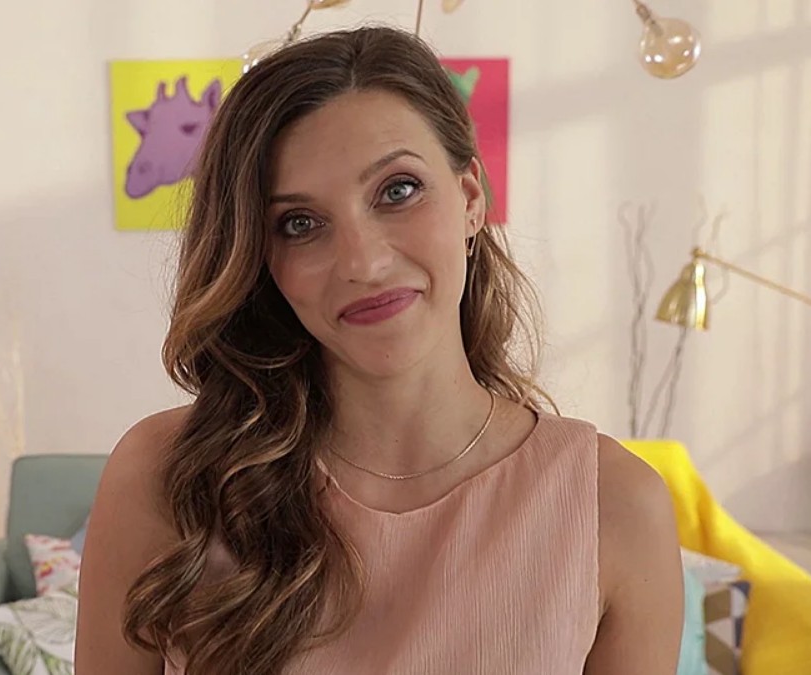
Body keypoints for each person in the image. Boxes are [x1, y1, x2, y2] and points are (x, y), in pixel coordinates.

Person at [76, 25, 683, 675]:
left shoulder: (615, 507)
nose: (362, 263)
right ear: (262, 259)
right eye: (300, 224)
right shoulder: (166, 478)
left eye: (397, 190)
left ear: (470, 199)